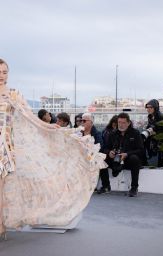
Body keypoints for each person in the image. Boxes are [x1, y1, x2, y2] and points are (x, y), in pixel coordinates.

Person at [0, 59, 106, 240]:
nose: (2, 76)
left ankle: (1, 226)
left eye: (5, 72)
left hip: (4, 147)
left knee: (2, 186)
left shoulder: (13, 94)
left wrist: (49, 127)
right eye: (0, 72)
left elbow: (30, 117)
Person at [104, 112, 144, 197]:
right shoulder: (112, 133)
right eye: (119, 122)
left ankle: (134, 188)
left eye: (123, 123)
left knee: (134, 158)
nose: (121, 125)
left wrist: (127, 154)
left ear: (129, 123)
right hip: (115, 159)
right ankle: (106, 186)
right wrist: (109, 152)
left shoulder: (135, 133)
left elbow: (141, 150)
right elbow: (105, 148)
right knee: (101, 158)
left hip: (128, 160)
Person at [98, 115, 118, 194]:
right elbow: (104, 146)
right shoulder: (107, 132)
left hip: (120, 155)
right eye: (114, 124)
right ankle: (106, 186)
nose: (115, 126)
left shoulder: (107, 131)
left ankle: (106, 186)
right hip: (108, 154)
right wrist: (109, 152)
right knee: (102, 161)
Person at [142, 99, 163, 166]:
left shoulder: (161, 117)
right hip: (152, 138)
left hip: (159, 140)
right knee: (141, 141)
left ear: (155, 108)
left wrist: (155, 133)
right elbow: (149, 127)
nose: (148, 109)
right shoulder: (150, 116)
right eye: (147, 107)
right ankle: (144, 161)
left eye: (151, 107)